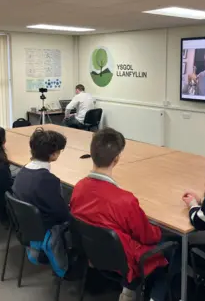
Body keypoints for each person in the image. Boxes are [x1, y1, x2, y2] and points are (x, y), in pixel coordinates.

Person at [70, 128, 168, 301]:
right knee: (172, 248)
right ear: (117, 159)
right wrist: (161, 232)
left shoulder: (78, 188)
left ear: (92, 154)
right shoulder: (125, 200)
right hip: (125, 260)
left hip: (95, 253)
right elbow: (147, 237)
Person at [13, 128, 70, 230]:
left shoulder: (21, 171)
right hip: (46, 231)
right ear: (54, 154)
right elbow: (62, 215)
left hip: (26, 226)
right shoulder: (48, 180)